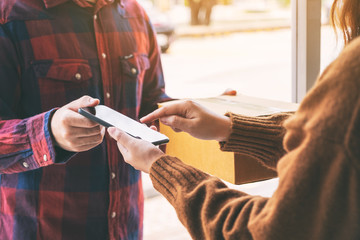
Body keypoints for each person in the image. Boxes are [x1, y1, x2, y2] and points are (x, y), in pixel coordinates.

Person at [107, 0, 360, 239]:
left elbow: (262, 232)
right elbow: (326, 142)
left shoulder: (352, 73)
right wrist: (229, 128)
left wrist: (159, 166)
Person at [0, 0, 169, 239]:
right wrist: (48, 132)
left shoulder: (135, 14)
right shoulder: (8, 17)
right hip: (41, 230)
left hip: (126, 227)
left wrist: (204, 112)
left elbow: (152, 101)